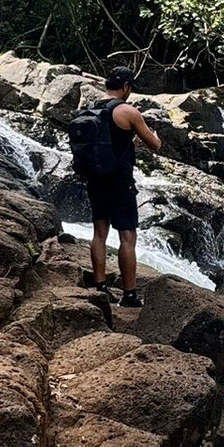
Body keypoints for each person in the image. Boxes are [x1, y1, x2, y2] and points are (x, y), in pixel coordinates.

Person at [85, 66, 161, 308]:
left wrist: (131, 144)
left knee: (99, 232)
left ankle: (100, 287)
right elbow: (155, 145)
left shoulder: (91, 107)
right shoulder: (127, 110)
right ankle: (129, 295)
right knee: (127, 236)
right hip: (119, 180)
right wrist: (153, 137)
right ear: (126, 87)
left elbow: (109, 144)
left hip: (95, 177)